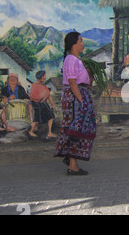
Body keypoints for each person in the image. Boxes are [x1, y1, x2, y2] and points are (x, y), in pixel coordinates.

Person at [54, 32, 97, 175]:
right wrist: (81, 100)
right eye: (80, 41)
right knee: (75, 129)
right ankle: (72, 165)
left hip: (79, 95)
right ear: (73, 44)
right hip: (75, 97)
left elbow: (85, 84)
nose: (83, 43)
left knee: (78, 129)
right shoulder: (71, 59)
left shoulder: (77, 61)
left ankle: (70, 159)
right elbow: (72, 83)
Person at [29, 70, 57, 139]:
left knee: (50, 117)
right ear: (41, 76)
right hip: (37, 104)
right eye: (44, 76)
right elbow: (33, 97)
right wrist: (40, 100)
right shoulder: (35, 85)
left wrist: (52, 104)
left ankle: (49, 132)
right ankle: (31, 131)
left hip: (44, 104)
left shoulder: (43, 86)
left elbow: (48, 95)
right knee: (37, 119)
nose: (45, 77)